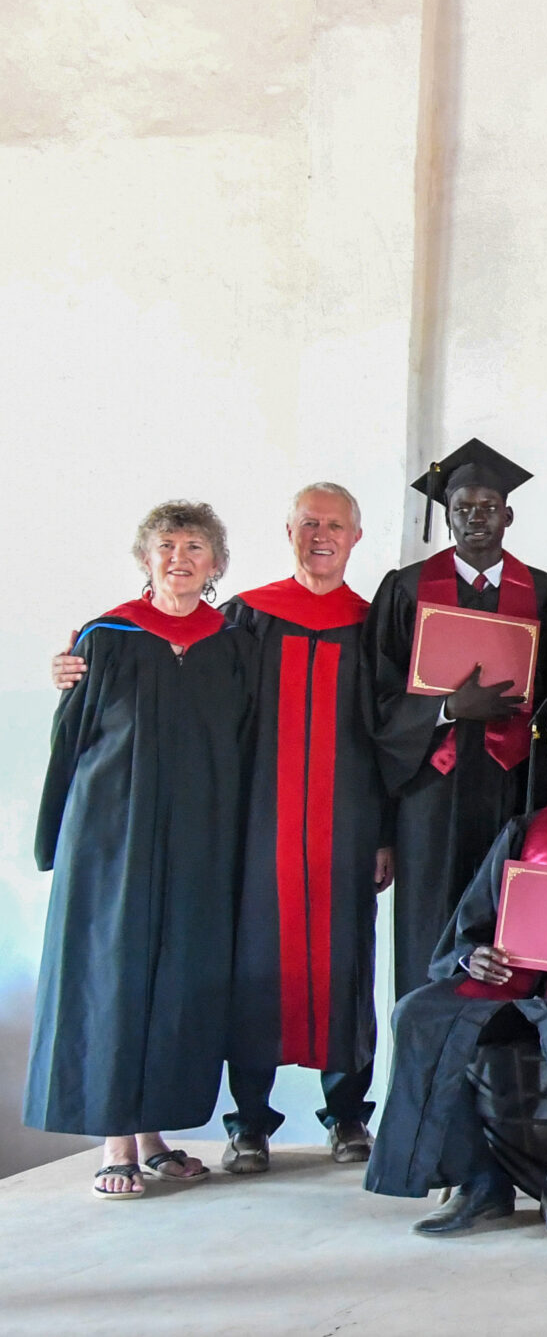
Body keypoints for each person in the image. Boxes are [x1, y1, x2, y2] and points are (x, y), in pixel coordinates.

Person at [50, 481, 393, 1173]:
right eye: (307, 523)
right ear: (287, 530)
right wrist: (74, 673)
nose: (319, 535)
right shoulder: (245, 621)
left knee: (346, 963)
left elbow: (391, 734)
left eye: (334, 525)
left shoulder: (376, 622)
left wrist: (387, 831)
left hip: (345, 825)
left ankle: (349, 1113)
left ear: (356, 536)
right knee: (252, 967)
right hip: (255, 825)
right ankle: (250, 1123)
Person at [365, 694, 547, 1239]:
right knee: (418, 1014)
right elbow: (472, 922)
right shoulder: (526, 830)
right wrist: (470, 954)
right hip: (518, 978)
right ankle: (480, 1183)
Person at [31, 501, 256, 1196]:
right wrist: (54, 838)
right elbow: (69, 738)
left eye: (195, 546)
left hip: (197, 834)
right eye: (167, 546)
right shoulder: (107, 637)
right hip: (112, 835)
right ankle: (115, 1140)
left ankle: (155, 1132)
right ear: (145, 558)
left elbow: (246, 743)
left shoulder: (232, 643)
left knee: (178, 977)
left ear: (216, 564)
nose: (180, 558)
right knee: (114, 975)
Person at [364, 440, 547, 996]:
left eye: (487, 507)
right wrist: (448, 708)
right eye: (462, 508)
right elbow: (377, 696)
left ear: (508, 514)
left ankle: (498, 1072)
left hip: (512, 782)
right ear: (446, 515)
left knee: (508, 924)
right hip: (429, 786)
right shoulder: (405, 589)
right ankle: (424, 1066)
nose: (475, 518)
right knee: (429, 928)